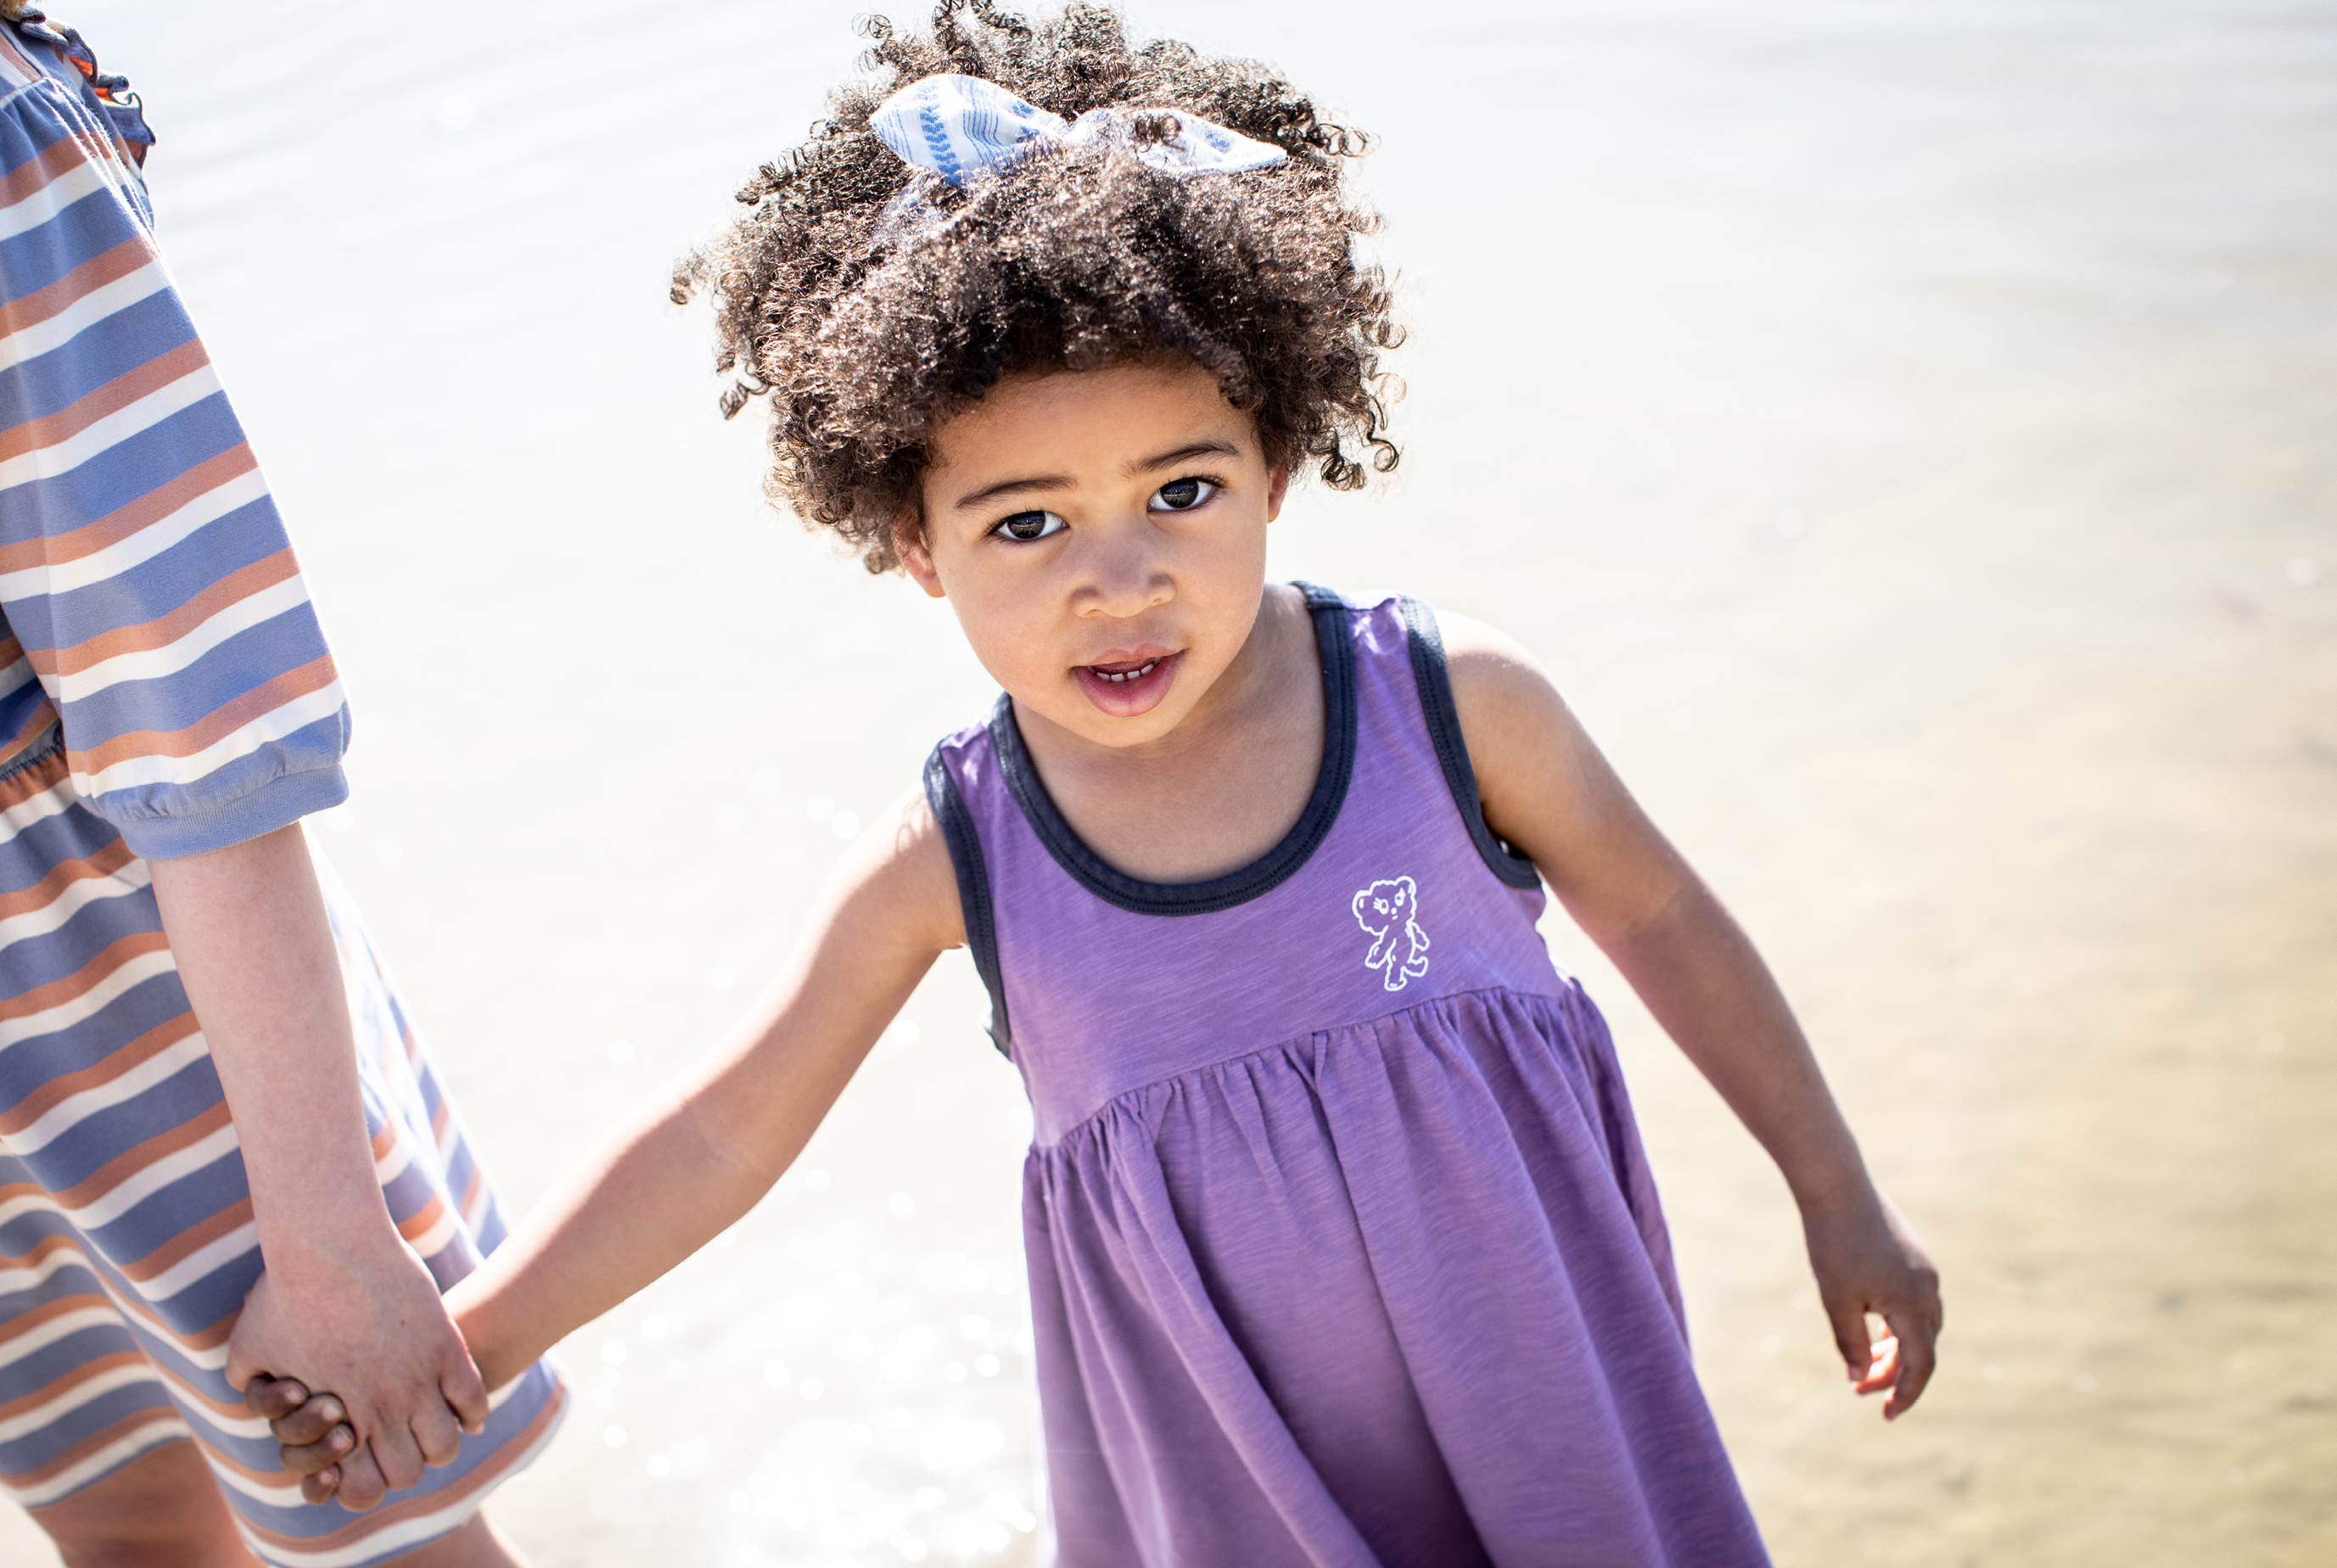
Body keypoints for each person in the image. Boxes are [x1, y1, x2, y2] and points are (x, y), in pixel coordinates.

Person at [249, 4, 1942, 1560]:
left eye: (1183, 494)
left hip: (1540, 1392)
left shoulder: (1445, 703)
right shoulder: (964, 846)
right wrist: (476, 1339)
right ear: (911, 541)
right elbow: (725, 1128)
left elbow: (1661, 915)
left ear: (1280, 461)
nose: (1116, 583)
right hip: (1239, 1463)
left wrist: (1838, 1195)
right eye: (1027, 523)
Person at [0, 8, 564, 1565]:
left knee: (374, 1519)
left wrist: (325, 1231)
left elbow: (190, 702)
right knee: (122, 1527)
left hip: (114, 1012)